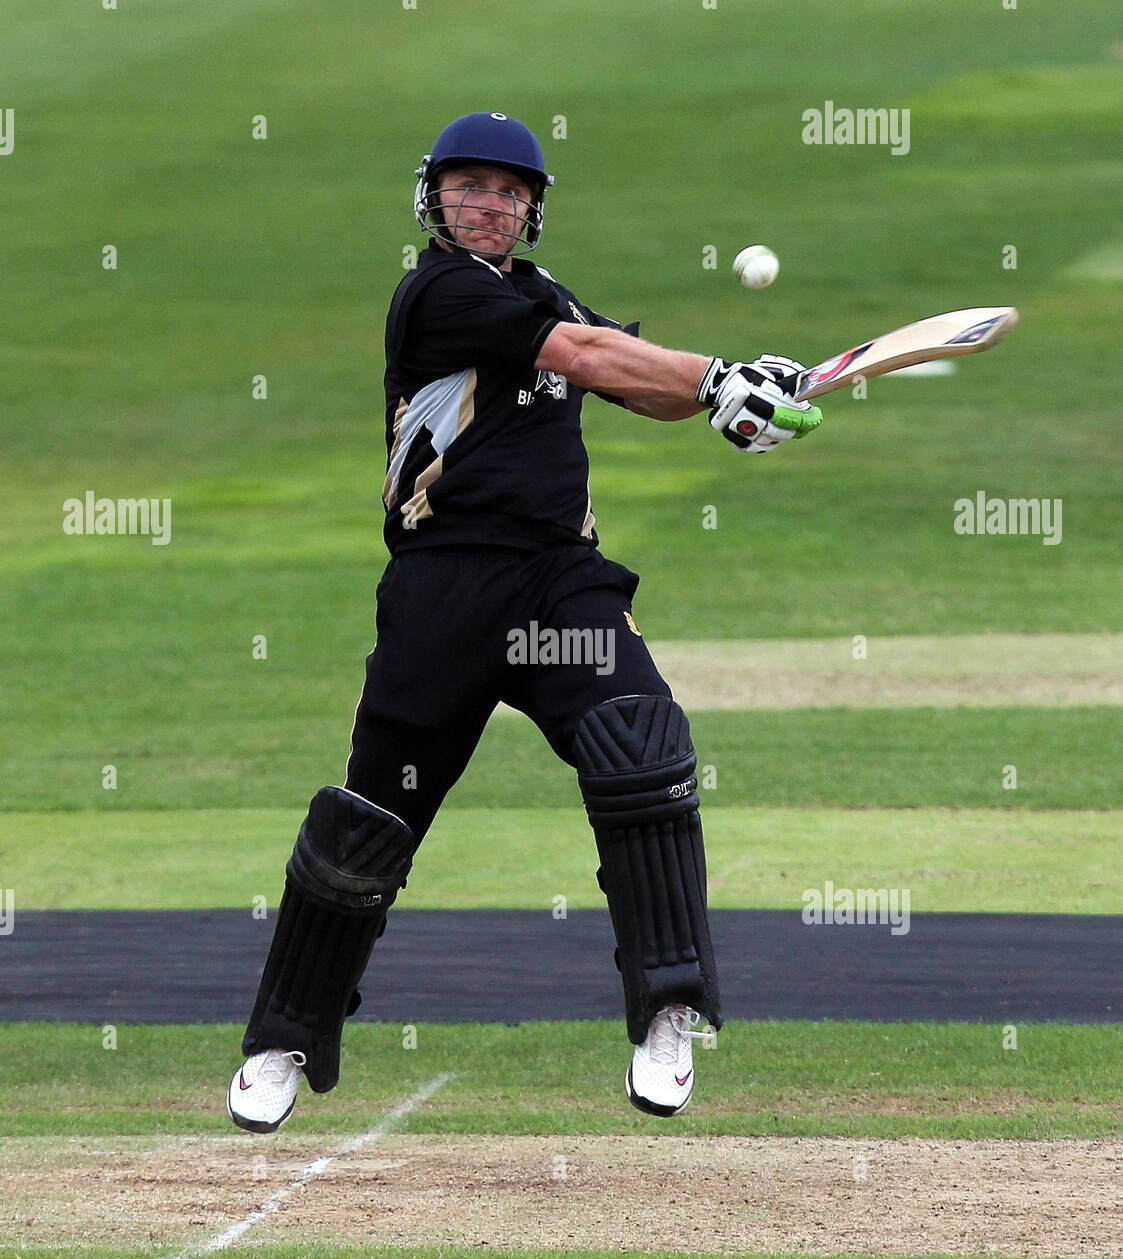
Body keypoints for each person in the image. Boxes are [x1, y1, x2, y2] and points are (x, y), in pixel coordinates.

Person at [226, 112, 822, 1133]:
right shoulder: (438, 292)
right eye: (468, 188)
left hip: (558, 584)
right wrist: (718, 377)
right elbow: (587, 356)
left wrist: (743, 394)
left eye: (508, 192)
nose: (489, 206)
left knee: (640, 746)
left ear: (533, 208)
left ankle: (669, 1003)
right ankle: (285, 1034)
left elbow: (640, 379)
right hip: (443, 590)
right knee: (372, 823)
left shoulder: (543, 294)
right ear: (433, 199)